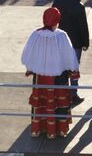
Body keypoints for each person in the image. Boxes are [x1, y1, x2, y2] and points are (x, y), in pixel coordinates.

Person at [20, 7, 80, 139]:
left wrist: (33, 66)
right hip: (58, 77)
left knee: (40, 103)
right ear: (58, 20)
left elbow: (26, 56)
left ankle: (38, 130)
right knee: (59, 103)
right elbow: (69, 56)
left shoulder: (35, 34)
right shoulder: (62, 36)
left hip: (40, 77)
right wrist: (73, 69)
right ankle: (59, 130)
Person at [52, 0, 90, 106]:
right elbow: (82, 26)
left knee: (61, 68)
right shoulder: (79, 5)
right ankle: (73, 94)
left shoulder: (57, 2)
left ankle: (61, 94)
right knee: (74, 69)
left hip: (59, 41)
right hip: (75, 42)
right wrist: (86, 42)